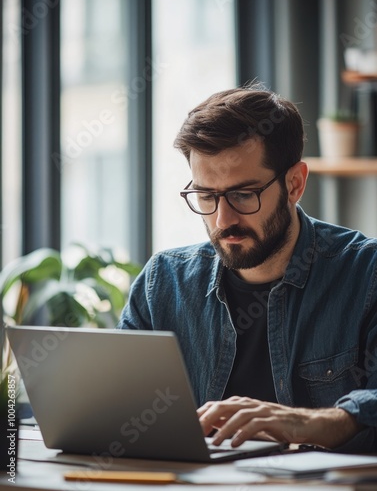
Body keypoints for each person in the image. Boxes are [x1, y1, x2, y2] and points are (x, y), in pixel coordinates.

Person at [118, 84, 377, 452]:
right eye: (206, 196)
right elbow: (116, 409)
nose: (223, 219)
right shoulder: (163, 283)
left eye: (243, 195)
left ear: (295, 184)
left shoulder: (366, 274)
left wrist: (310, 423)